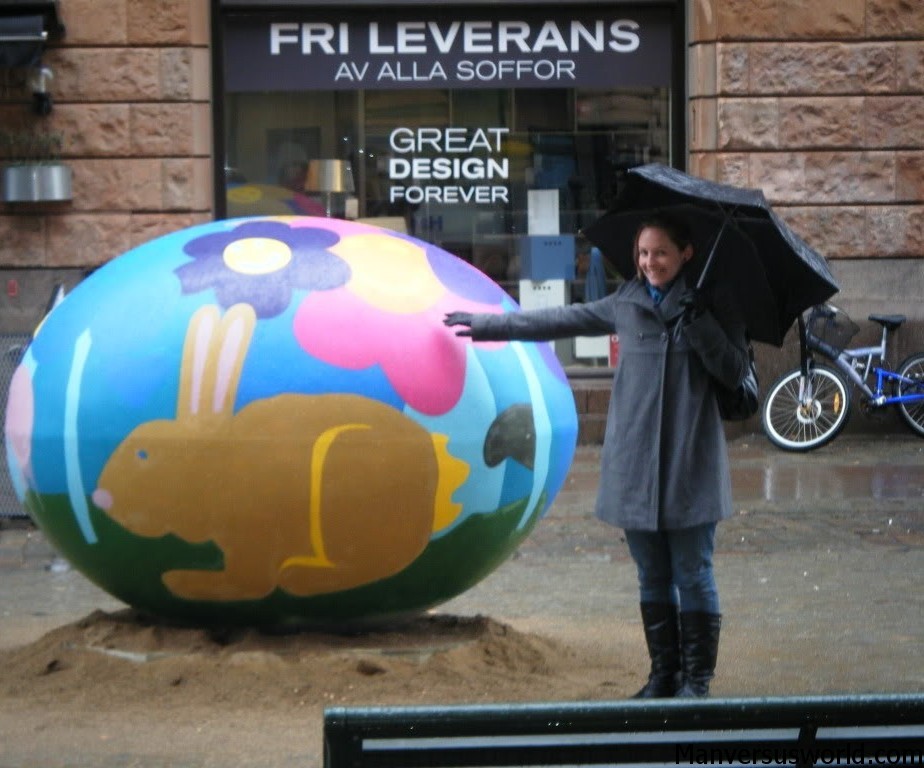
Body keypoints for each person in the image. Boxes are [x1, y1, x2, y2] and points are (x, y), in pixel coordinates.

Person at [444, 213, 750, 698]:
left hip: (690, 460)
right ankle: (663, 676)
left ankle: (697, 683)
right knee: (651, 573)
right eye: (643, 253)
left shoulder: (715, 303)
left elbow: (735, 373)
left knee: (692, 572)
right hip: (634, 461)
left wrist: (702, 324)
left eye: (661, 253)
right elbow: (560, 318)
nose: (650, 263)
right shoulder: (627, 301)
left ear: (686, 253)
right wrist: (486, 325)